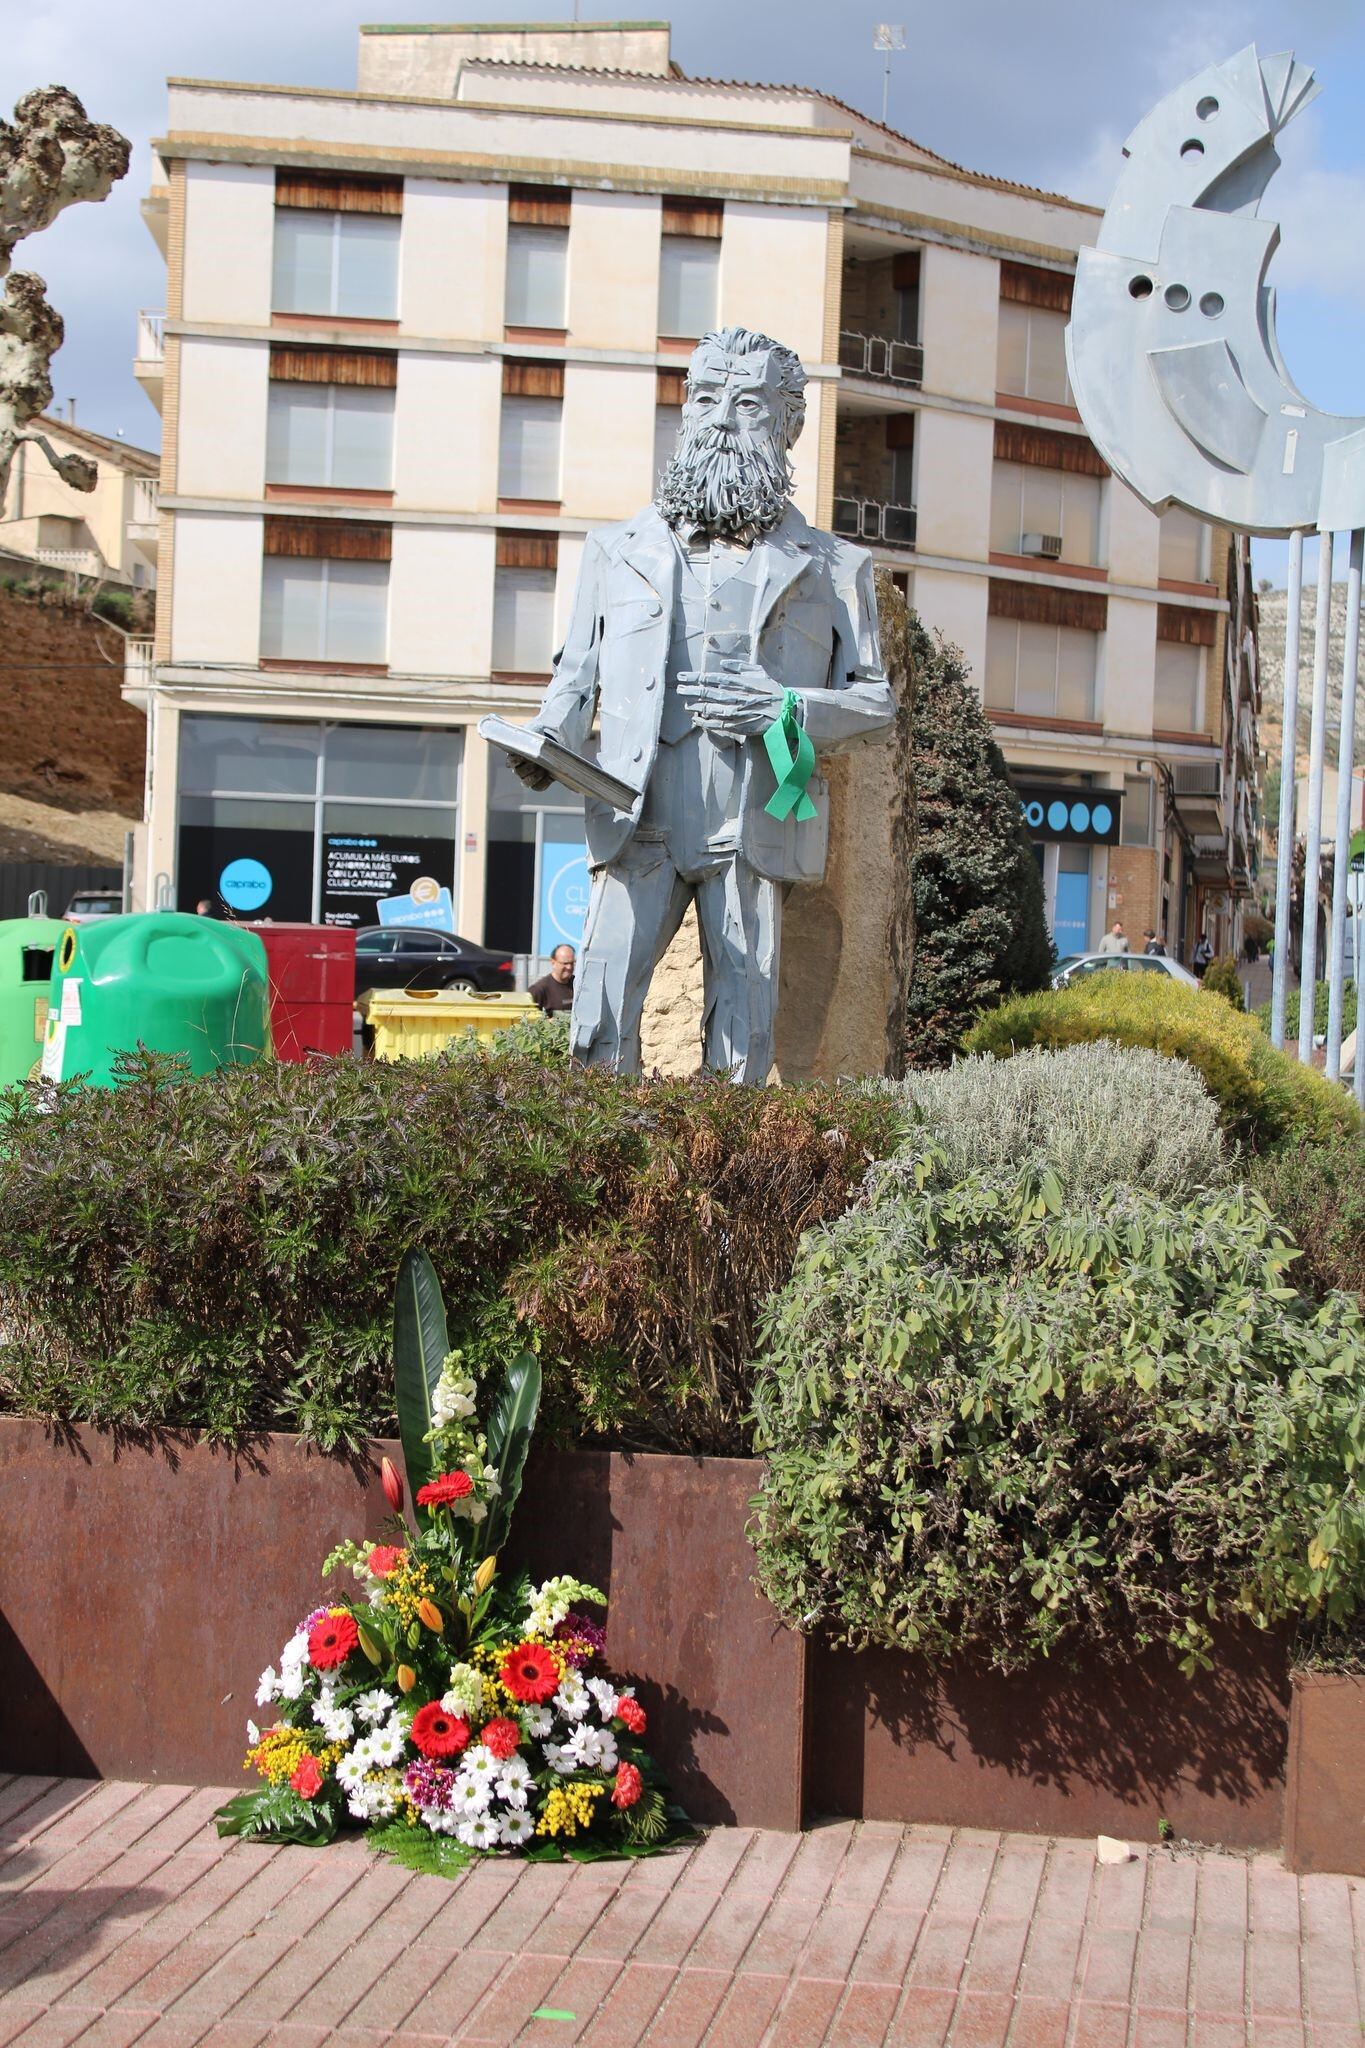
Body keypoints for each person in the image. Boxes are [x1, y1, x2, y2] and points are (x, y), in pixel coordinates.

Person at [506, 325, 894, 1081]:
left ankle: (727, 1168)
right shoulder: (614, 550)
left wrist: (782, 706)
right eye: (707, 397)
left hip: (749, 817)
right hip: (633, 811)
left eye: (747, 403)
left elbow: (875, 703)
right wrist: (545, 741)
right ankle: (598, 1158)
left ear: (787, 426)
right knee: (599, 1002)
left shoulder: (836, 567)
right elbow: (574, 673)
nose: (720, 419)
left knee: (744, 1015)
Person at [529, 943, 575, 1015]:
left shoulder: (578, 985)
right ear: (553, 962)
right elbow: (529, 1019)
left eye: (571, 963)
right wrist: (549, 1021)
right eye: (565, 963)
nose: (569, 967)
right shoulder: (538, 990)